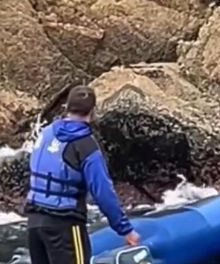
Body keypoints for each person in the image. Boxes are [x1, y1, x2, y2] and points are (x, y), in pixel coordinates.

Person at [25, 85, 139, 264]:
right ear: (93, 112)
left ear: (66, 107)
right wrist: (125, 230)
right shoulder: (85, 145)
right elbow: (103, 192)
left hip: (34, 223)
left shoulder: (45, 134)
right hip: (65, 226)